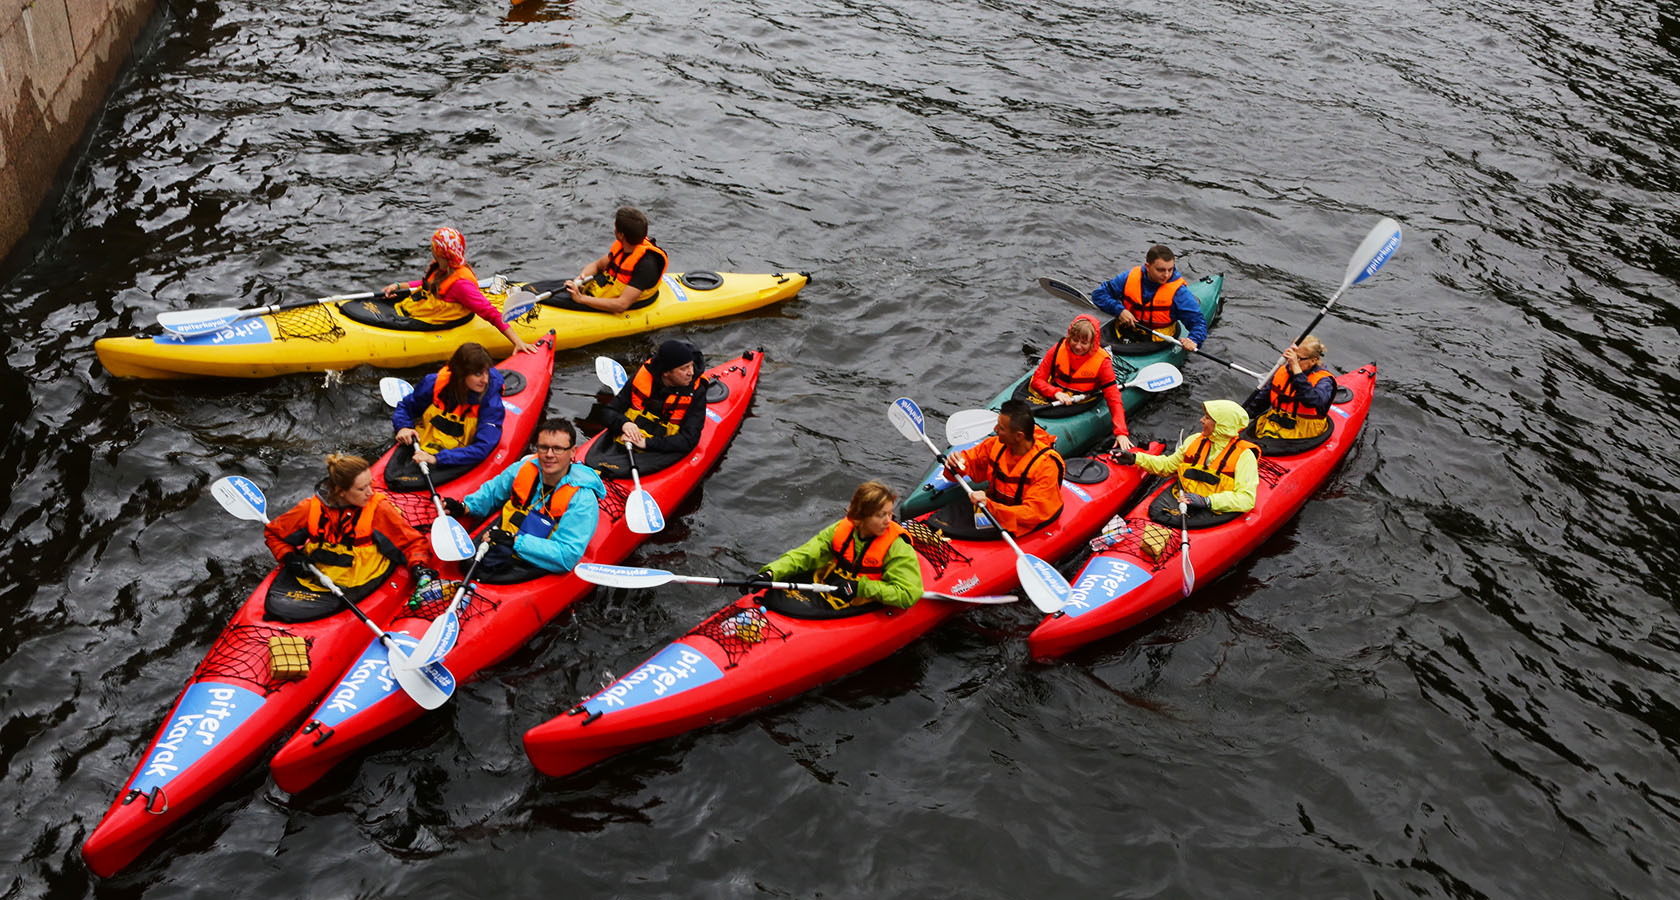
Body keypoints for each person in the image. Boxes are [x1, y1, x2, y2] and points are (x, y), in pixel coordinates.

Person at [263, 454, 434, 622]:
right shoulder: (309, 508)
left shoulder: (378, 509)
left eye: (370, 484)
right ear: (340, 492)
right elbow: (274, 534)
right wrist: (289, 557)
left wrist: (419, 567)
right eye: (361, 489)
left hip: (361, 579)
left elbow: (412, 543)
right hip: (314, 577)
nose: (370, 492)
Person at [442, 420, 603, 584]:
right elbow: (493, 491)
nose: (549, 454)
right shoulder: (525, 468)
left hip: (533, 558)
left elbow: (566, 555)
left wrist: (515, 541)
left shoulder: (582, 500)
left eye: (558, 449)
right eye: (543, 447)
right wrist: (466, 507)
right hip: (502, 543)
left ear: (572, 452)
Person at [741, 481, 924, 617]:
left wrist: (860, 587)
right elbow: (805, 555)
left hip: (863, 598)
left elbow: (908, 594)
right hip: (832, 586)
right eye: (881, 515)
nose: (888, 520)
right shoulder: (841, 530)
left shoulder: (897, 547)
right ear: (861, 517)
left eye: (890, 513)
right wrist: (770, 574)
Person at [381, 226, 536, 354]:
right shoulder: (442, 267)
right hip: (423, 310)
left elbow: (490, 312)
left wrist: (518, 341)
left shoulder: (461, 284)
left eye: (433, 245)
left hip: (440, 320)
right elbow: (428, 284)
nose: (431, 247)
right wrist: (399, 286)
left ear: (439, 251)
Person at [1114, 399, 1260, 527]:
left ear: (1221, 426)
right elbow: (1167, 466)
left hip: (1214, 510)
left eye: (1207, 418)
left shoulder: (1245, 456)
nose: (1201, 420)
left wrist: (1207, 501)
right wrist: (1135, 458)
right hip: (1184, 499)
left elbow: (1246, 499)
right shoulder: (1194, 440)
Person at [933, 399, 1065, 538]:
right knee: (940, 521)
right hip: (996, 506)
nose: (995, 430)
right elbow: (971, 461)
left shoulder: (1046, 466)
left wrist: (990, 506)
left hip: (1023, 521)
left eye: (1001, 428)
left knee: (954, 528)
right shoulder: (996, 445)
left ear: (1018, 436)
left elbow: (1031, 514)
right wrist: (956, 463)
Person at [386, 342, 505, 492]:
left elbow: (482, 447)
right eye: (478, 374)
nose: (485, 380)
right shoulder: (434, 383)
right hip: (425, 443)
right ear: (462, 373)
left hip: (460, 454)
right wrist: (403, 426)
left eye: (487, 372)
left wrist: (437, 459)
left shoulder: (490, 402)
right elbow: (406, 407)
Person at [591, 339, 709, 478]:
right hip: (629, 441)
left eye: (691, 366)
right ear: (666, 373)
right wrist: (624, 423)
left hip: (664, 448)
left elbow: (689, 440)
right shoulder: (642, 378)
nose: (691, 372)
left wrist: (646, 443)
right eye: (684, 369)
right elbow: (607, 412)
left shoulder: (696, 392)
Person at [1023, 314, 1133, 451]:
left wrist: (1121, 432)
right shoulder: (1058, 349)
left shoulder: (1103, 363)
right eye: (1075, 340)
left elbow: (1113, 398)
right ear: (1070, 336)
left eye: (1084, 342)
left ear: (1092, 342)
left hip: (1082, 399)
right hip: (1057, 394)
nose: (1078, 346)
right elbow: (1037, 380)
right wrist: (1055, 393)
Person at [1089, 244, 1207, 352]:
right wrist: (1119, 310)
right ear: (1148, 267)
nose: (1166, 275)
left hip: (1156, 340)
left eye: (1170, 269)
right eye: (1161, 270)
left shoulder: (1179, 293)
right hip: (1124, 330)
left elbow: (1198, 323)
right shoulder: (1129, 277)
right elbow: (1099, 295)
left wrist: (1193, 340)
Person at [562, 207, 669, 314]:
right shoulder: (623, 247)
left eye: (615, 227)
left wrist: (581, 299)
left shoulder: (646, 266)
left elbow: (621, 305)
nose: (614, 229)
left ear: (621, 235)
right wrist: (578, 281)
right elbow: (597, 265)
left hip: (626, 304)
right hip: (605, 293)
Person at [1242, 336, 1337, 442]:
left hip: (1304, 432)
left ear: (1313, 361)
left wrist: (1297, 371)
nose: (1291, 362)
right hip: (1273, 423)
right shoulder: (1282, 372)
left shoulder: (1325, 381)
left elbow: (1312, 400)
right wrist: (1242, 416)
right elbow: (1261, 401)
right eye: (1291, 357)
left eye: (1298, 359)